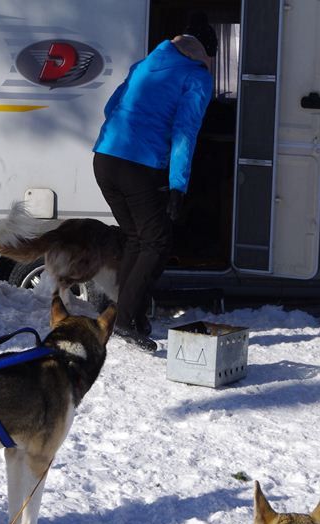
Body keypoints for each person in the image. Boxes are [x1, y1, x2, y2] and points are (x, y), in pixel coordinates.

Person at [92, 16, 217, 352]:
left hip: (104, 159)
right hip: (138, 165)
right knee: (157, 242)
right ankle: (125, 321)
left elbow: (110, 107)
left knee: (137, 237)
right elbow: (184, 133)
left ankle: (124, 315)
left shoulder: (145, 64)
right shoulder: (197, 77)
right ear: (205, 52)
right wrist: (178, 185)